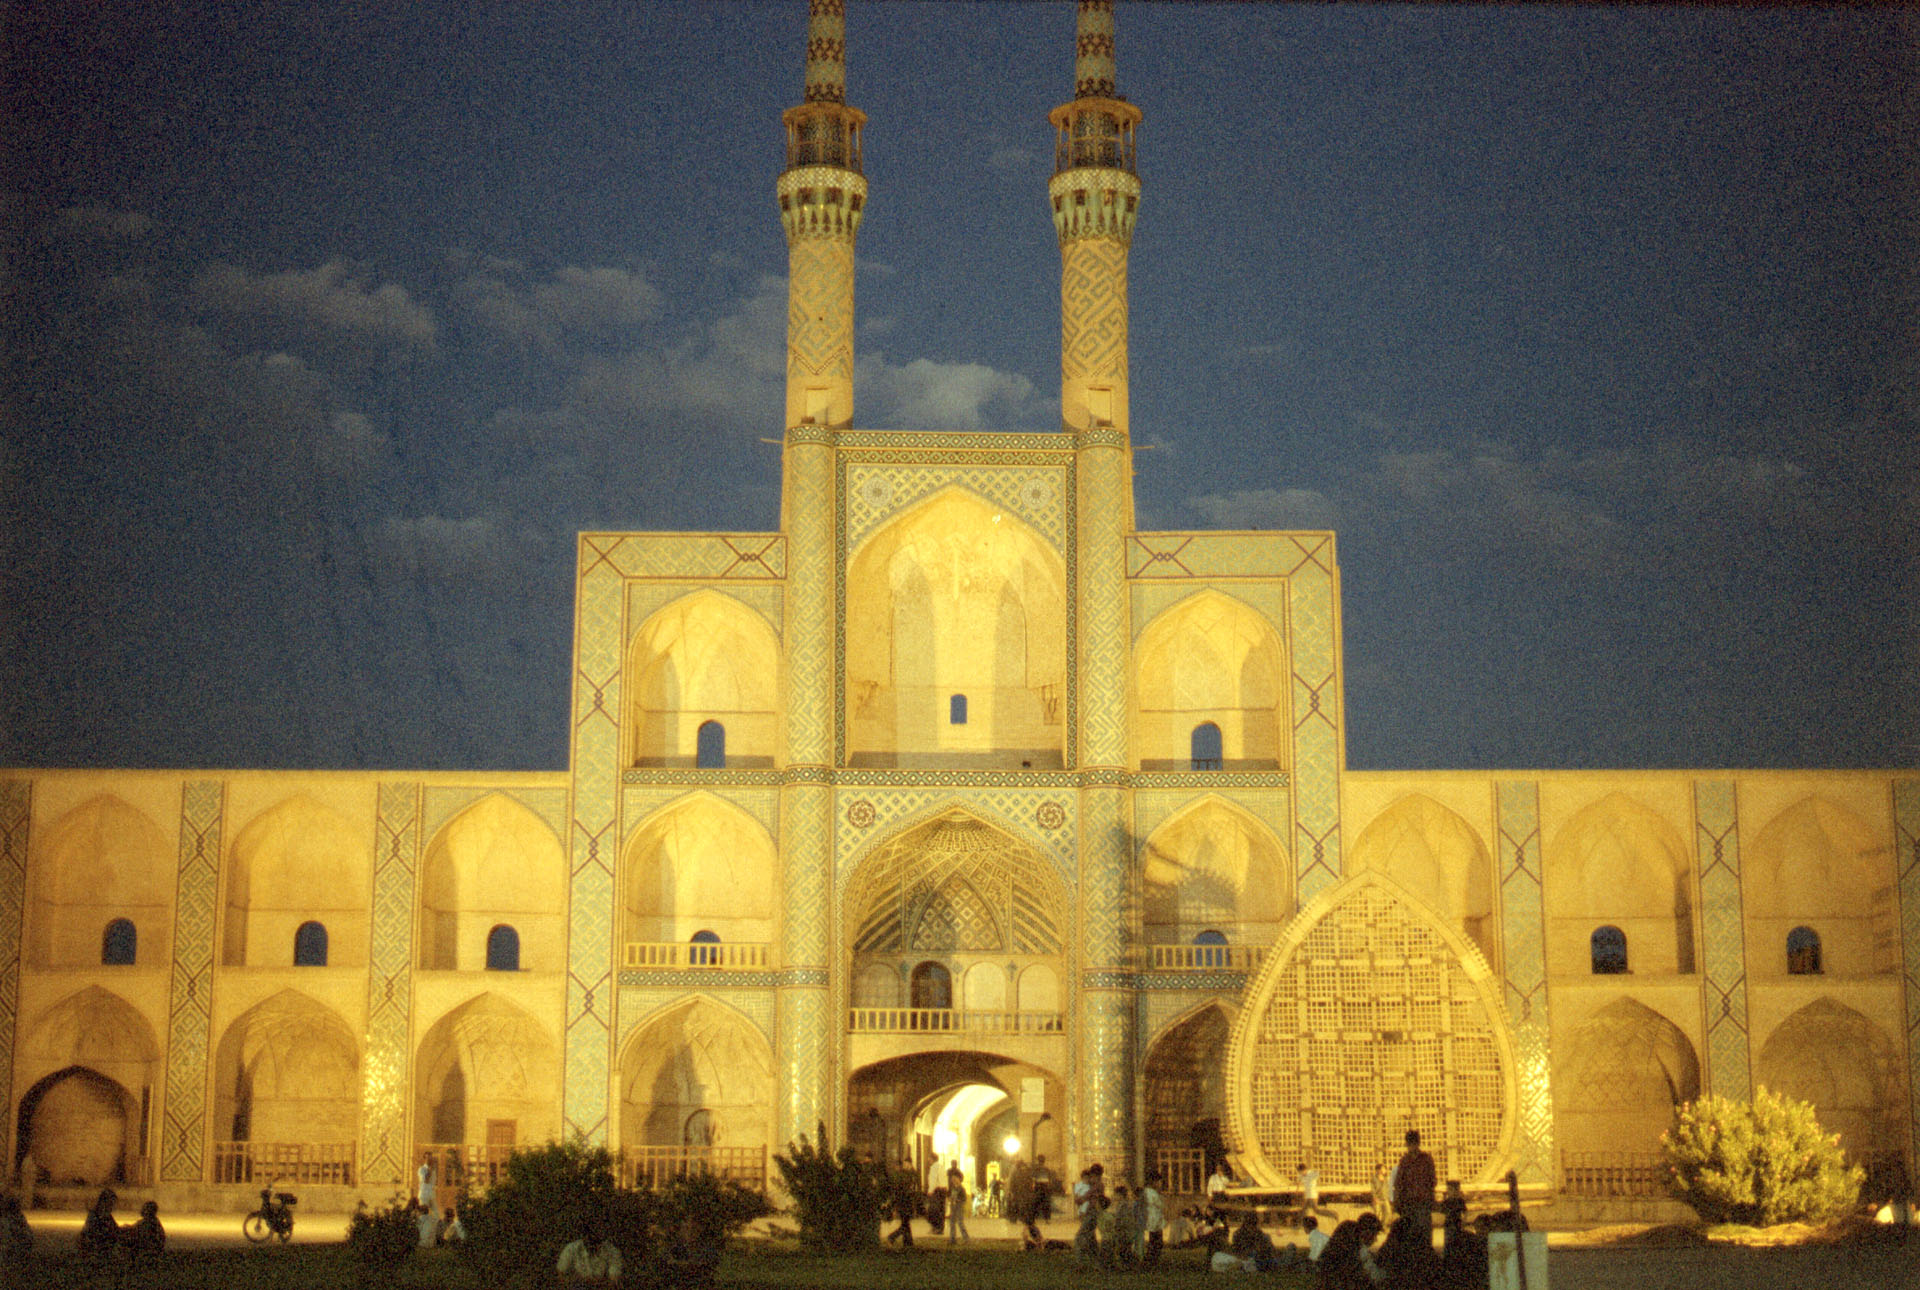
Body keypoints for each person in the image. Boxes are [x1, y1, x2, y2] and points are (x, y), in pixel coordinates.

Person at [1316, 1213, 1383, 1290]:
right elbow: (1366, 1273)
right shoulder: (1354, 1247)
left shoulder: (1347, 1232)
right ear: (1367, 1232)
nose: (1375, 1240)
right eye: (1375, 1235)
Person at [1392, 1130, 1437, 1240]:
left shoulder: (1426, 1159)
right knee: (1409, 1234)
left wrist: (1430, 1197)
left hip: (1423, 1203)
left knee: (1424, 1232)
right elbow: (1398, 1183)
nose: (1412, 1146)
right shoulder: (1404, 1161)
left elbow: (1433, 1181)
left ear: (1418, 1143)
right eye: (1410, 1144)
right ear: (1407, 1144)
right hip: (1408, 1203)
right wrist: (1397, 1202)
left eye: (1414, 1143)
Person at [557, 1215, 623, 1283]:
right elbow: (561, 1275)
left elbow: (613, 1281)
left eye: (594, 1232)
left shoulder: (612, 1252)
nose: (590, 1236)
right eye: (588, 1231)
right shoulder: (571, 1249)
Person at [77, 1188, 120, 1261]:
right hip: (97, 1249)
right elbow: (96, 1233)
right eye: (111, 1204)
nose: (113, 1207)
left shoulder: (106, 1215)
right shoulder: (97, 1215)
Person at [1073, 1164, 1104, 1260]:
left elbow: (1087, 1196)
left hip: (1093, 1213)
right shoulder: (1094, 1185)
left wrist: (1079, 1199)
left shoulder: (1097, 1186)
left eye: (1092, 1176)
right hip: (1091, 1212)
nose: (1090, 1179)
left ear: (1097, 1176)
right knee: (1091, 1236)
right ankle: (1095, 1257)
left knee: (1080, 1236)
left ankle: (1080, 1258)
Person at [886, 1157, 919, 1247]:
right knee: (905, 1223)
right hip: (904, 1201)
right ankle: (906, 1242)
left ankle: (899, 1240)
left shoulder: (911, 1174)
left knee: (905, 1223)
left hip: (907, 1201)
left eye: (905, 1164)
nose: (904, 1166)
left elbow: (911, 1188)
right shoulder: (908, 1174)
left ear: (909, 1164)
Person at [124, 1199, 166, 1266]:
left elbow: (136, 1230)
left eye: (144, 1208)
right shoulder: (152, 1221)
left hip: (149, 1251)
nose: (141, 1210)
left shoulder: (149, 1223)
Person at [1139, 1170, 1166, 1267]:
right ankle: (1151, 1261)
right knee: (1155, 1242)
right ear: (1153, 1182)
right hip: (1153, 1220)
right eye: (1158, 1182)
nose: (1160, 1184)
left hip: (1155, 1220)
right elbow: (1160, 1204)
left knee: (1155, 1241)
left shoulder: (1150, 1192)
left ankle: (1152, 1260)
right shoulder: (1151, 1193)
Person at [945, 1161, 969, 1243]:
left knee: (960, 1222)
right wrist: (950, 1199)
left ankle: (966, 1238)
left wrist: (958, 1200)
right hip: (953, 1206)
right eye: (953, 1179)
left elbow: (964, 1198)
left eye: (955, 1179)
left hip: (959, 1206)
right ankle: (952, 1238)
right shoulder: (952, 1188)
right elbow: (950, 1195)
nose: (954, 1180)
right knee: (952, 1223)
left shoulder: (961, 1188)